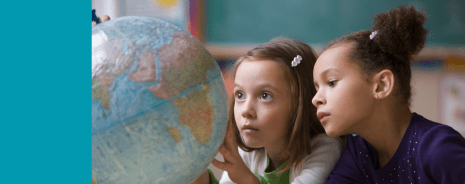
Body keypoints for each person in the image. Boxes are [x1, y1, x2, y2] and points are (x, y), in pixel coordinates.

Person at [311, 6, 465, 184]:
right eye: (316, 88)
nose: (316, 99)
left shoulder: (438, 150)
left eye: (331, 82)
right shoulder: (358, 152)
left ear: (381, 85)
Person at [193, 38, 344, 184]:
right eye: (240, 95)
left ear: (301, 103)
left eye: (265, 96)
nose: (246, 110)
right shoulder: (249, 151)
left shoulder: (324, 148)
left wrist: (248, 181)